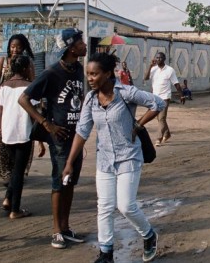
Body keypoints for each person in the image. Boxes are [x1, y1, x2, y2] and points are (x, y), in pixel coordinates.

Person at [63, 52, 164, 263]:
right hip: (105, 159)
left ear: (108, 74)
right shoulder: (90, 99)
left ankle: (148, 235)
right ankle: (106, 253)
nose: (90, 78)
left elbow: (158, 104)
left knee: (126, 206)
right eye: (88, 74)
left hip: (129, 156)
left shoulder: (126, 93)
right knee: (105, 206)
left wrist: (139, 124)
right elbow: (82, 131)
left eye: (94, 74)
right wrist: (70, 162)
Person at [18, 27, 87, 249]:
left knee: (70, 182)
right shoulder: (51, 73)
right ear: (71, 47)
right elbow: (24, 99)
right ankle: (56, 231)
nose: (85, 45)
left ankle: (66, 228)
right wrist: (47, 124)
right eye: (81, 42)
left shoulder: (78, 69)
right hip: (60, 139)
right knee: (59, 182)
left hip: (76, 136)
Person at [0, 55, 40, 219]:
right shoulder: (30, 87)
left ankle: (8, 199)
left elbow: (0, 112)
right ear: (26, 69)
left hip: (7, 134)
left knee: (14, 171)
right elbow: (34, 115)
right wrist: (40, 140)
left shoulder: (4, 86)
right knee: (18, 172)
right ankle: (15, 209)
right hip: (23, 134)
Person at [0, 34, 36, 186]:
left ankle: (19, 172)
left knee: (24, 138)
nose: (15, 49)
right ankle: (7, 174)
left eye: (18, 46)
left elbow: (33, 83)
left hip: (23, 105)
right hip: (5, 103)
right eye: (12, 46)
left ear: (23, 47)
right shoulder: (2, 62)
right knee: (2, 140)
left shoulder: (27, 62)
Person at [144, 51, 184, 146]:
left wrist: (181, 95)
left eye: (160, 58)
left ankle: (158, 138)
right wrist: (150, 66)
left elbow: (176, 84)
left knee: (161, 118)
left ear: (164, 59)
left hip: (165, 97)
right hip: (155, 97)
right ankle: (167, 133)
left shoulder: (170, 70)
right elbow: (145, 78)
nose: (158, 59)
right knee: (159, 118)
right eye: (157, 58)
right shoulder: (153, 69)